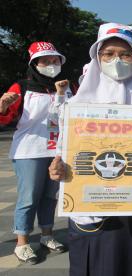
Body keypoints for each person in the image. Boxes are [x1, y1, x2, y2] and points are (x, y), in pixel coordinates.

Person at [48, 22, 132, 276]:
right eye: (109, 53)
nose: (117, 59)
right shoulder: (78, 103)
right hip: (90, 211)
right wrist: (58, 169)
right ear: (98, 57)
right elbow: (63, 150)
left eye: (125, 54)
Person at [0, 41, 69, 264]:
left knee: (51, 196)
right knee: (29, 197)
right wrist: (2, 106)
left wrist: (61, 94)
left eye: (55, 60)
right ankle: (22, 242)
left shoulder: (69, 86)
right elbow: (5, 118)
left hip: (58, 150)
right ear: (34, 63)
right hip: (29, 150)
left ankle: (47, 235)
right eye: (45, 60)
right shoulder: (21, 87)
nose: (51, 64)